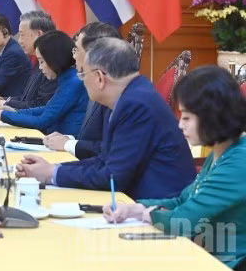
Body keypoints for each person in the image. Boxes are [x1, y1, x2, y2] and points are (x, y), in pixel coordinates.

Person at [15, 38, 196, 200]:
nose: (82, 81)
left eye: (83, 74)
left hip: (157, 208)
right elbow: (105, 159)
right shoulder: (127, 96)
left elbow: (113, 177)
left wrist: (52, 173)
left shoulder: (136, 105)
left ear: (100, 78)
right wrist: (52, 169)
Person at [102, 66, 246, 269]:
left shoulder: (240, 160)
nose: (180, 125)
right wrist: (135, 209)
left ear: (212, 115)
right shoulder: (221, 150)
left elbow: (183, 221)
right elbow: (184, 200)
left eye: (186, 117)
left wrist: (149, 215)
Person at [0, 31, 87, 136]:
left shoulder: (73, 82)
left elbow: (42, 121)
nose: (40, 67)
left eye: (41, 62)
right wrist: (16, 112)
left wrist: (3, 115)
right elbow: (48, 109)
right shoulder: (68, 78)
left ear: (54, 59)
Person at [43, 22, 120, 158]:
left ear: (95, 53)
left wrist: (68, 145)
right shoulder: (96, 82)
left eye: (76, 49)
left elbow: (110, 151)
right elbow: (93, 139)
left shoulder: (116, 92)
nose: (73, 56)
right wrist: (68, 140)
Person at [0, 10, 57, 110]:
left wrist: (6, 103)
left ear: (38, 34)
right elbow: (27, 98)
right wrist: (6, 100)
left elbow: (40, 106)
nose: (19, 41)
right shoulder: (39, 60)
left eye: (22, 35)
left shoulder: (52, 64)